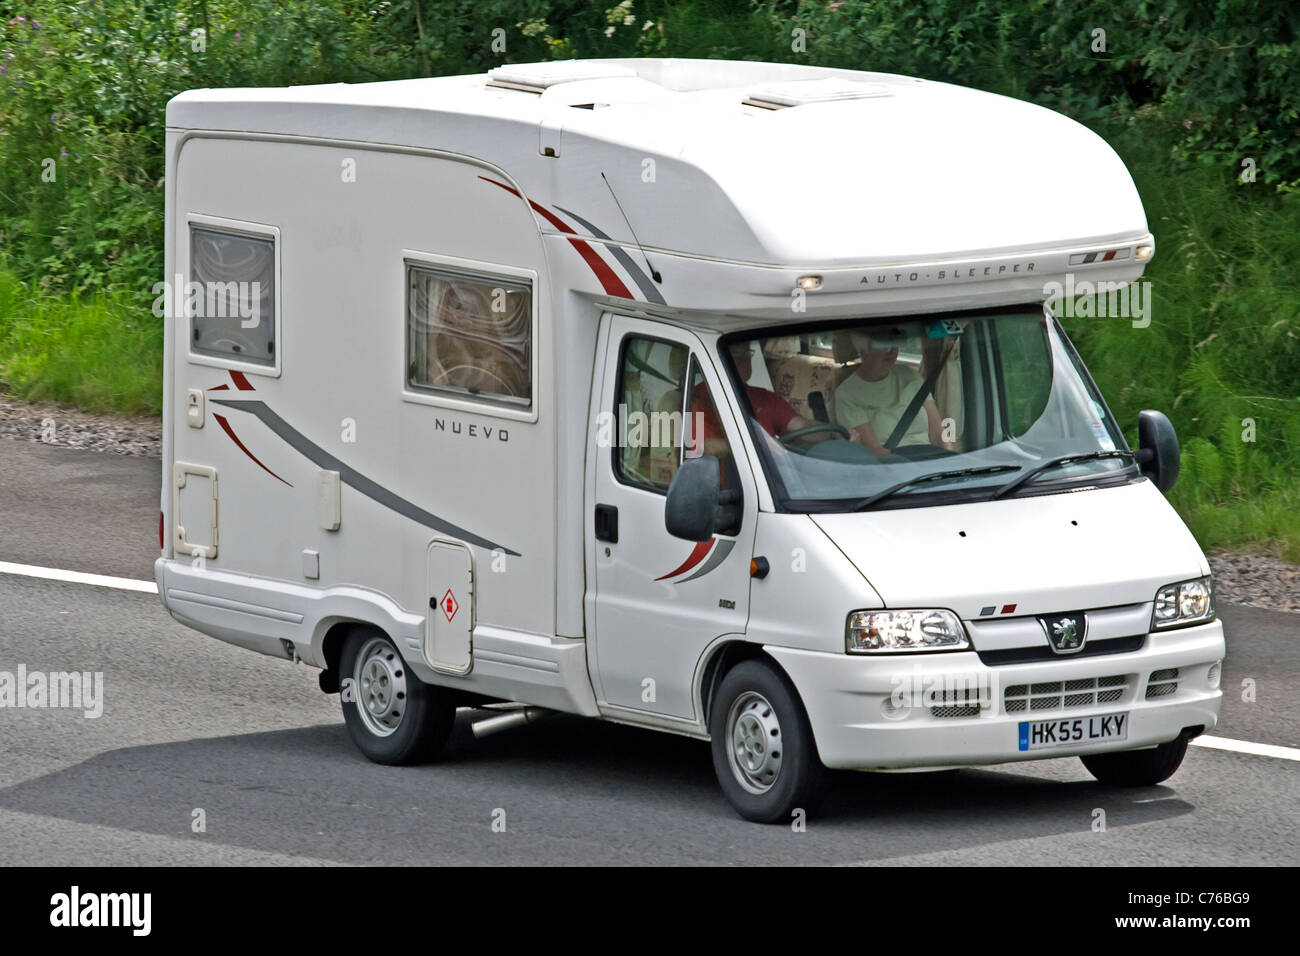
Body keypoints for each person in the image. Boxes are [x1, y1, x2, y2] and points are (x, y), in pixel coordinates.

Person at [835, 329, 949, 457]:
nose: (891, 351)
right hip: (893, 466)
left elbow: (939, 432)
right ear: (863, 351)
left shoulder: (909, 375)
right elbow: (873, 449)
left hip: (930, 461)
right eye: (883, 345)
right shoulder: (847, 393)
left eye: (894, 343)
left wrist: (950, 459)